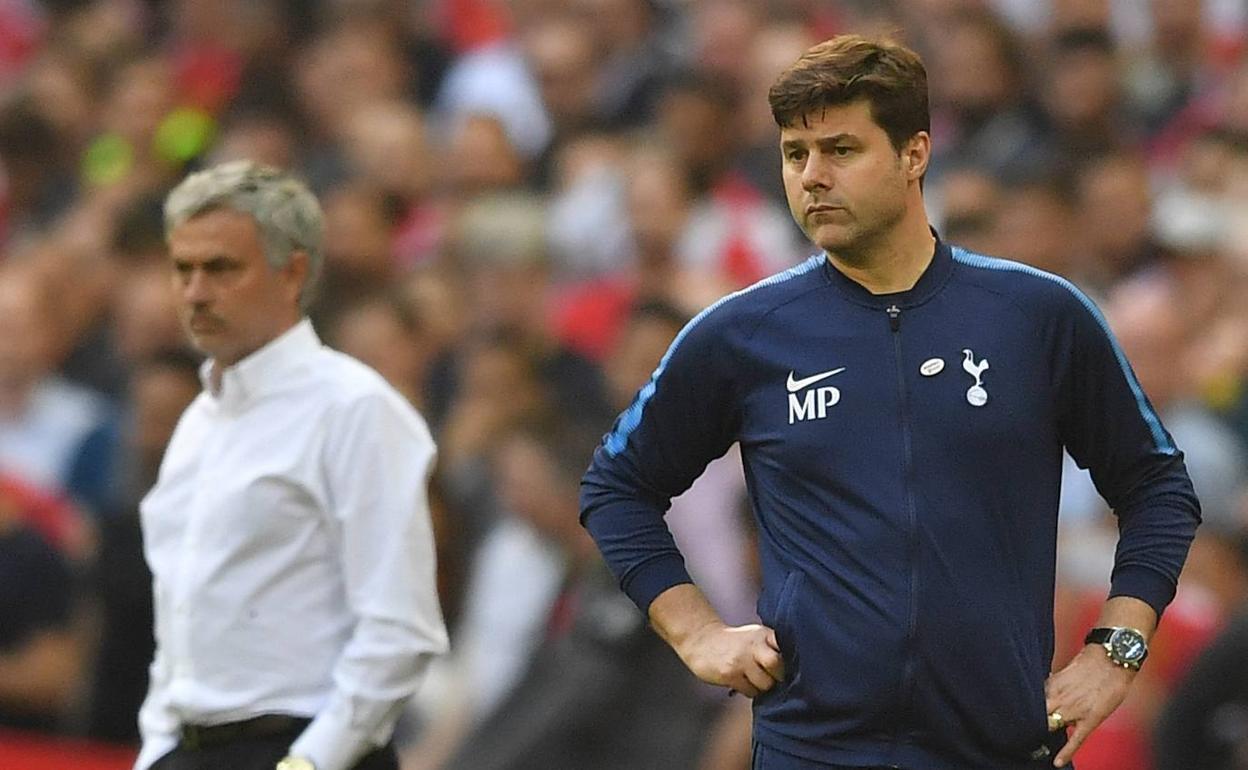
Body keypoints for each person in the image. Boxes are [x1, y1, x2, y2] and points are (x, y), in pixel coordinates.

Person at [580, 34, 1201, 770]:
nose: (812, 177)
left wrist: (1115, 649)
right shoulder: (743, 334)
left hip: (999, 748)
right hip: (811, 751)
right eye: (793, 154)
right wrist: (694, 630)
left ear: (915, 154)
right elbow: (616, 485)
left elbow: (1157, 485)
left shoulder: (1037, 316)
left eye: (841, 150)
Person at [134, 161, 448, 770]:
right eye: (182, 269)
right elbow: (177, 621)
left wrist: (312, 762)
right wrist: (156, 750)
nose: (195, 292)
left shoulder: (355, 409)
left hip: (304, 750)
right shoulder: (197, 423)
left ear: (293, 271)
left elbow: (401, 630)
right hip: (192, 750)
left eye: (222, 268)